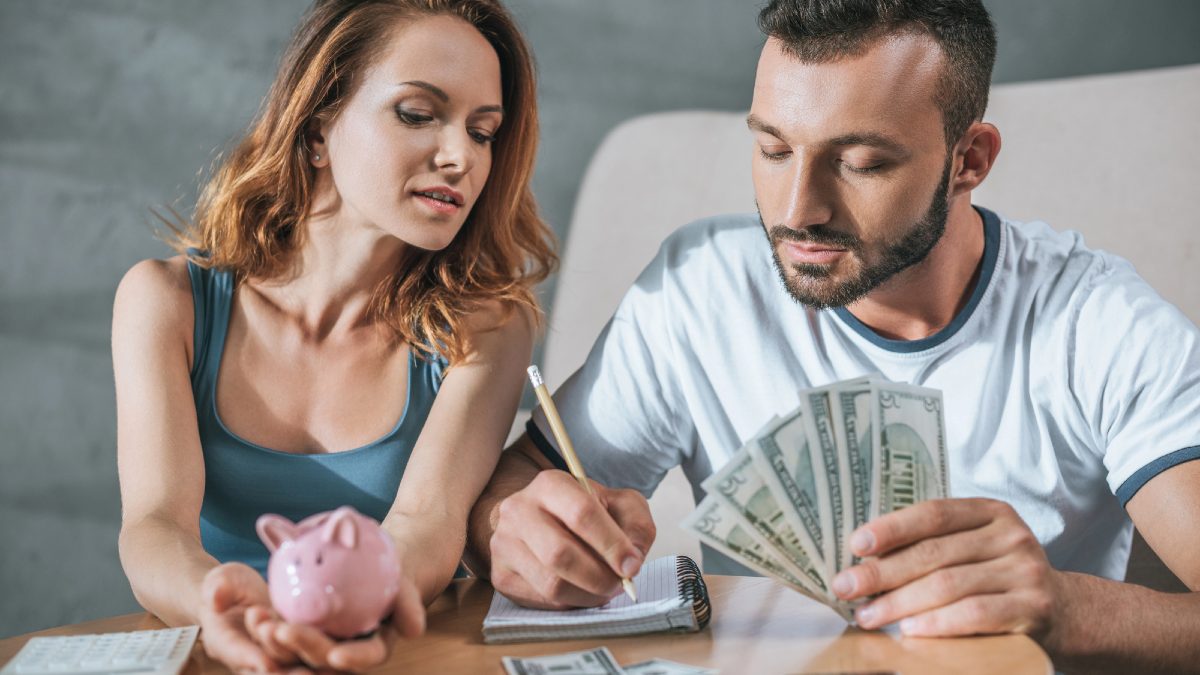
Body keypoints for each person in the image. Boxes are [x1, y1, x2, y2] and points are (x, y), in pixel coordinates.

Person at [465, 0, 1200, 671]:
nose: (797, 210)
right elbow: (517, 483)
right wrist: (510, 527)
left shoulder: (1098, 326)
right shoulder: (697, 290)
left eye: (861, 162)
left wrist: (1066, 607)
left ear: (969, 160)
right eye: (774, 150)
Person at [112, 0, 554, 671]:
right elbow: (154, 525)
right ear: (319, 127)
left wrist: (351, 610)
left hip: (391, 654)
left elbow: (427, 527)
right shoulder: (165, 303)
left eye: (483, 131)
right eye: (417, 113)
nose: (460, 155)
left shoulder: (487, 327)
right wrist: (225, 607)